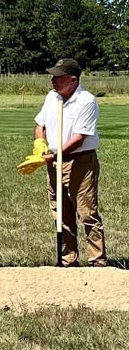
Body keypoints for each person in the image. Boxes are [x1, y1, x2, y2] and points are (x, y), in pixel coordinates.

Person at [32, 58, 107, 266]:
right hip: (54, 161)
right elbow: (40, 124)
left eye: (57, 77)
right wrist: (40, 143)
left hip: (79, 161)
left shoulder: (86, 101)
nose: (52, 80)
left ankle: (97, 261)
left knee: (86, 212)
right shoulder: (51, 97)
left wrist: (56, 154)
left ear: (72, 80)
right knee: (60, 211)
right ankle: (68, 259)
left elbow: (79, 137)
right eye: (52, 76)